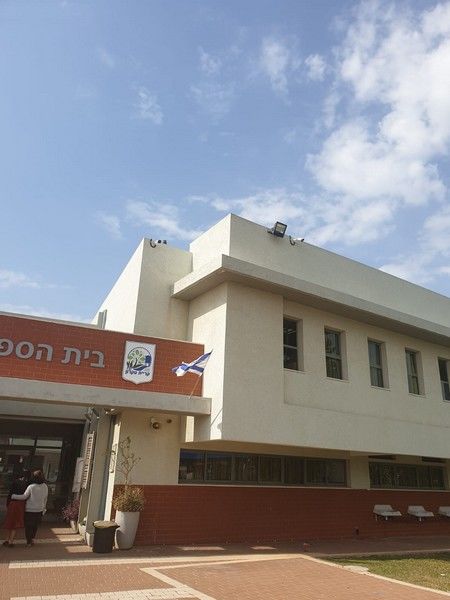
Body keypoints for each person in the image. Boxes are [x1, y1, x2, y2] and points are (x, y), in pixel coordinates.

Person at [11, 470, 48, 547]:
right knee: (35, 526)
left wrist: (13, 496)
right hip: (39, 509)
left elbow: (24, 497)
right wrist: (44, 508)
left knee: (29, 526)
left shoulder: (31, 487)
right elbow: (45, 498)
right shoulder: (45, 486)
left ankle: (28, 542)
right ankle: (32, 539)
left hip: (30, 509)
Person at [2, 471, 29, 547]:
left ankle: (6, 540)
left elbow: (10, 494)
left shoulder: (14, 483)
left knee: (10, 522)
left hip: (12, 503)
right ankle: (11, 541)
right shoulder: (26, 484)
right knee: (15, 523)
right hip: (20, 504)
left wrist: (8, 504)